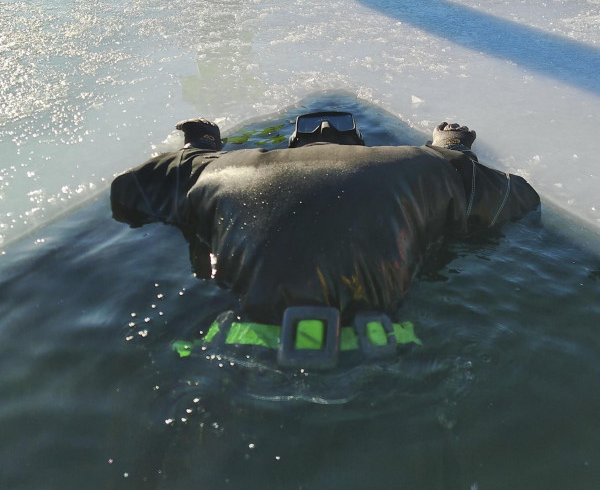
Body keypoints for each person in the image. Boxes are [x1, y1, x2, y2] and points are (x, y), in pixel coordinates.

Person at [110, 112, 540, 354]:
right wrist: (453, 149)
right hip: (382, 346)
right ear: (361, 145)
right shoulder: (414, 164)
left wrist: (198, 148)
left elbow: (128, 193)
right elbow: (516, 198)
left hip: (239, 344)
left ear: (289, 146)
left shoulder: (225, 168)